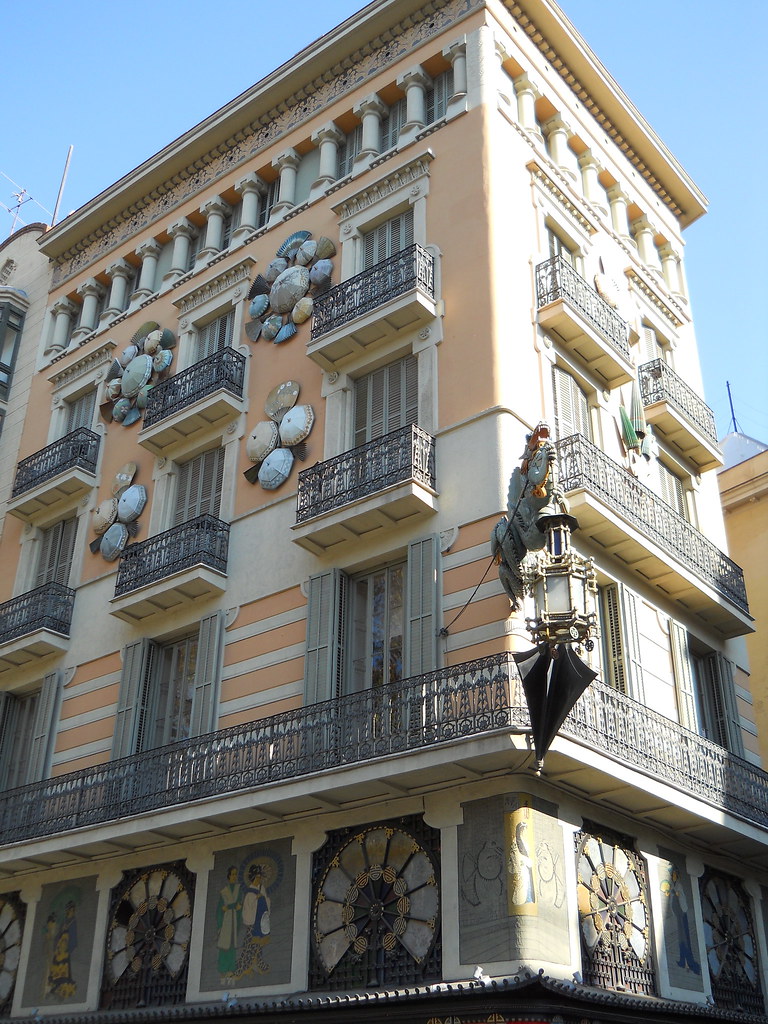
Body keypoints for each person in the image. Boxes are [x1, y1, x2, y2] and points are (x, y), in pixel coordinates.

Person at [216, 867, 242, 979]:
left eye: (236, 874)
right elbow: (220, 909)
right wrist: (219, 925)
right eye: (233, 874)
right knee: (224, 946)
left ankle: (231, 969)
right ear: (229, 876)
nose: (234, 876)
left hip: (234, 920)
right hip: (226, 922)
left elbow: (239, 905)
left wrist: (232, 907)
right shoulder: (224, 891)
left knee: (231, 945)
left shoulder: (238, 889)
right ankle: (223, 969)